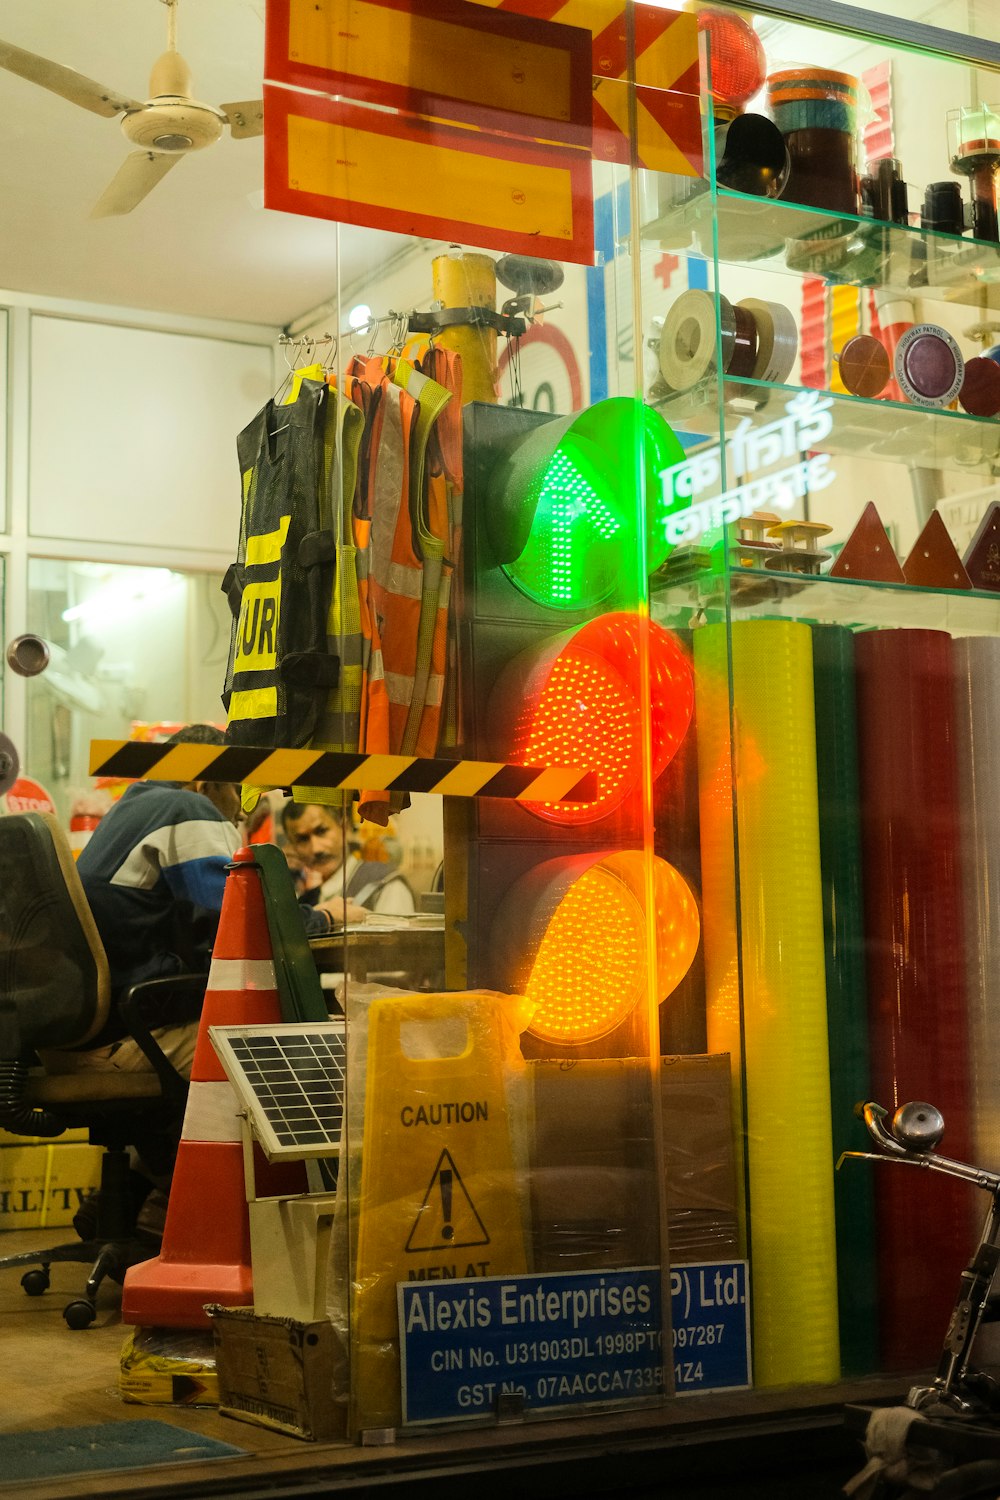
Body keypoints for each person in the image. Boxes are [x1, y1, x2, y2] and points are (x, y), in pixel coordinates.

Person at [281, 799, 416, 924]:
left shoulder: (384, 884)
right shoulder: (306, 902)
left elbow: (399, 945)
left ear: (345, 827)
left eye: (321, 831)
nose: (316, 849)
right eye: (302, 839)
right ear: (292, 846)